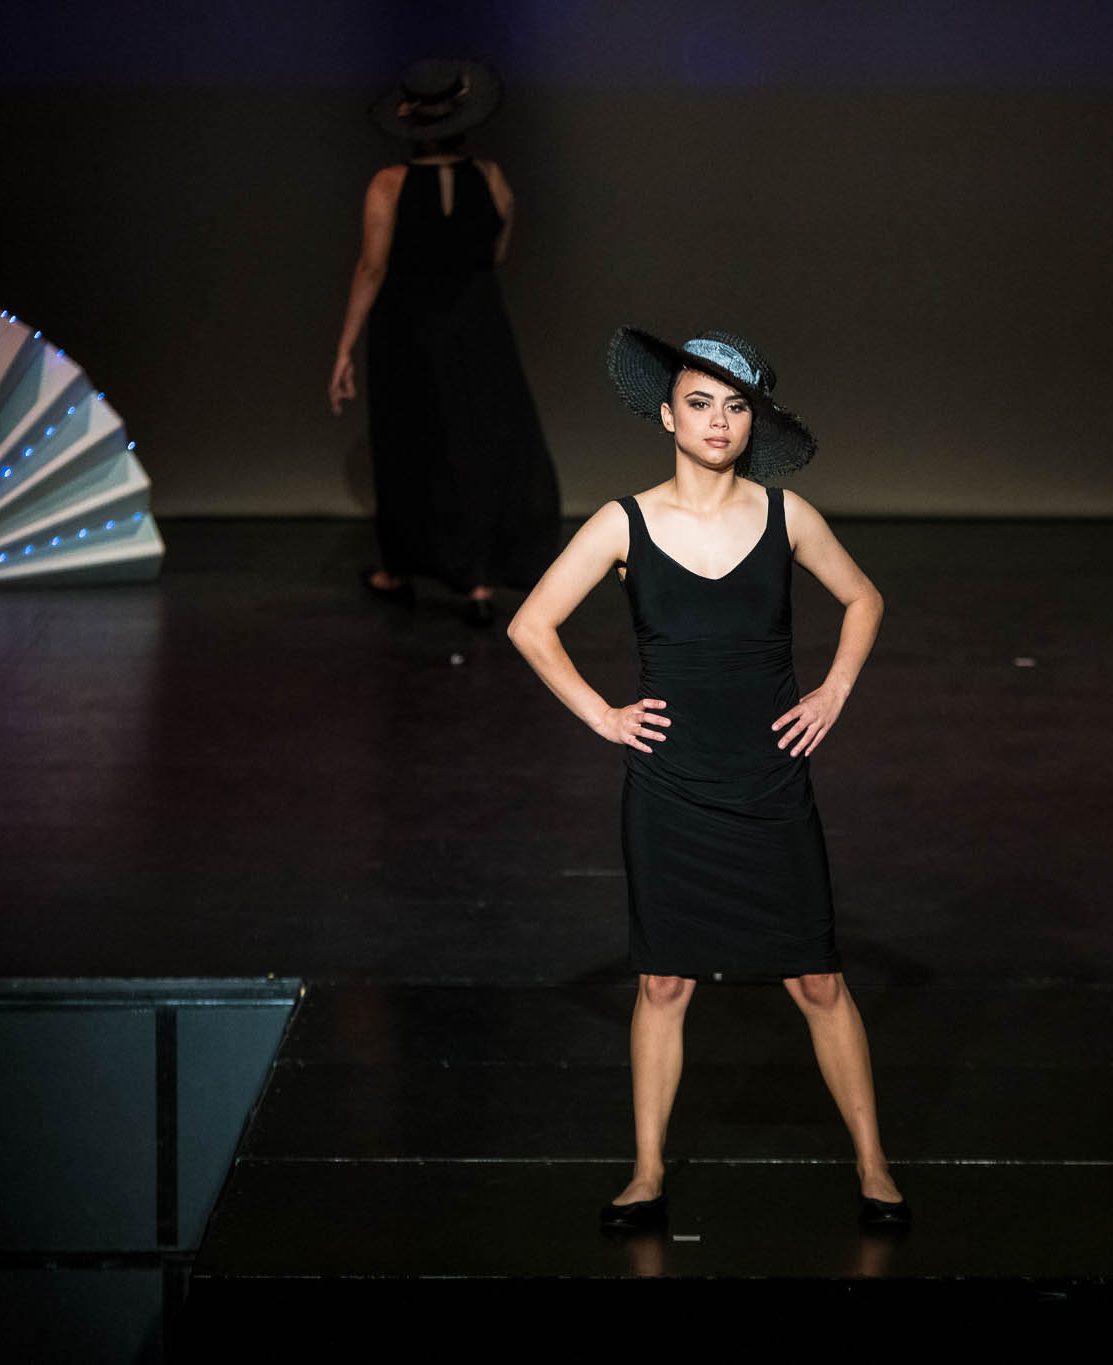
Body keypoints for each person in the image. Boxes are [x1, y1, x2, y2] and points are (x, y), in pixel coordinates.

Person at [506, 326, 907, 1228]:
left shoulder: (786, 515)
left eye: (735, 405)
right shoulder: (624, 522)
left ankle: (874, 1165)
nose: (718, 420)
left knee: (816, 979)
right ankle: (647, 1173)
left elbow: (864, 596)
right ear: (666, 416)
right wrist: (602, 715)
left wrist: (835, 689)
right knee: (663, 982)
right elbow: (530, 624)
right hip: (670, 783)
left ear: (752, 421)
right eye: (699, 402)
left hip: (768, 779)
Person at [329, 57, 560, 627]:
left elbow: (371, 269)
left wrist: (344, 347)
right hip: (479, 325)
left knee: (410, 443)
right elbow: (496, 252)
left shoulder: (389, 184)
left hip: (408, 330)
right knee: (478, 442)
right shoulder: (492, 177)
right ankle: (478, 581)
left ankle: (400, 572)